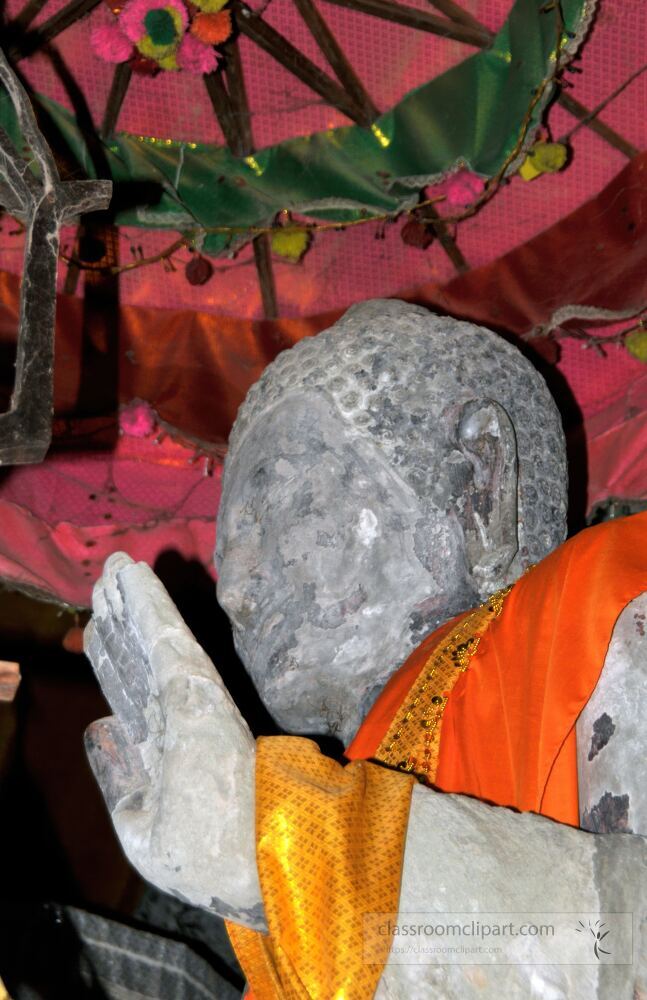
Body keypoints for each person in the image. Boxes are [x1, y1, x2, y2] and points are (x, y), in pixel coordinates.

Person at [84, 301, 647, 998]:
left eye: (281, 506)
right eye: (230, 554)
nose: (238, 593)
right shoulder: (313, 804)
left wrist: (294, 849)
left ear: (477, 480)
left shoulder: (614, 601)